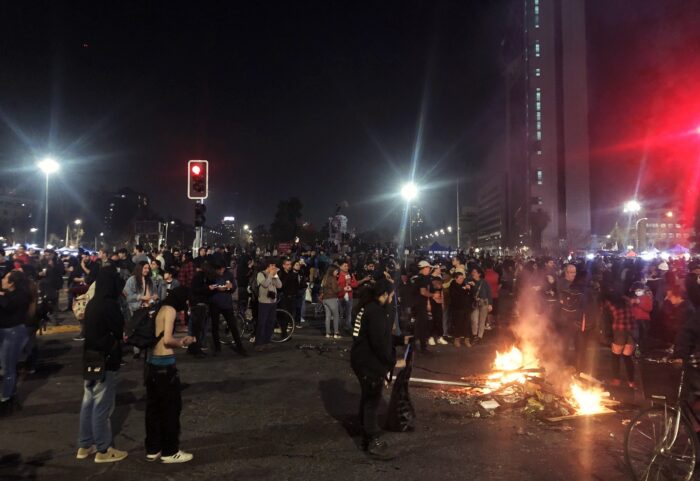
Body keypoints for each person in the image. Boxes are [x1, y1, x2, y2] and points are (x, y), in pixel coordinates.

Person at [76, 268, 128, 463]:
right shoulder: (109, 305)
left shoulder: (92, 304)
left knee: (88, 401)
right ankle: (103, 449)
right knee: (102, 405)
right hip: (106, 359)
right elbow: (118, 328)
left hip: (89, 357)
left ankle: (84, 445)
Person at [350, 278, 405, 460]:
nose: (392, 299)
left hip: (361, 359)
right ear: (384, 295)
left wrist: (399, 340)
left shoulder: (368, 307)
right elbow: (378, 342)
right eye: (391, 295)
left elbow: (379, 336)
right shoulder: (375, 312)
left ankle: (363, 428)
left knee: (368, 397)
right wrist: (392, 361)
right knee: (372, 400)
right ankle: (373, 441)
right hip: (368, 362)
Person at [145, 286, 196, 463]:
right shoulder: (171, 310)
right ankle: (170, 451)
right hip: (165, 365)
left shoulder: (160, 308)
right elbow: (167, 340)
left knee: (153, 408)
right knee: (170, 409)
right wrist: (182, 342)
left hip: (152, 364)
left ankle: (153, 448)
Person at [0, 270, 32, 414]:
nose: (2, 280)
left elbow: (7, 305)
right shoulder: (10, 294)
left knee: (8, 368)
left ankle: (6, 399)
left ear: (12, 283)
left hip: (13, 333)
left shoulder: (19, 296)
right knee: (7, 366)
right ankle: (9, 394)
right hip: (7, 332)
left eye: (6, 278)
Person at [208, 261, 246, 356]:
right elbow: (208, 287)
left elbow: (233, 287)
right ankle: (217, 348)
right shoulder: (211, 275)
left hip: (226, 303)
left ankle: (240, 346)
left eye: (222, 268)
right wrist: (216, 288)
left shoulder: (228, 275)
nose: (221, 270)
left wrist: (231, 287)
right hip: (215, 303)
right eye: (219, 269)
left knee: (233, 325)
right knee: (215, 327)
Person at [604, 288, 636, 388]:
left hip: (619, 331)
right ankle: (631, 382)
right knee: (627, 357)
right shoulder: (628, 302)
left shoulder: (611, 304)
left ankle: (616, 380)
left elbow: (607, 316)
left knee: (616, 356)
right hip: (631, 330)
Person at [255, 259, 282, 351]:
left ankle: (267, 341)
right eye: (272, 265)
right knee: (262, 323)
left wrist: (276, 276)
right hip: (264, 302)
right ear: (268, 266)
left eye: (275, 265)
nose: (274, 267)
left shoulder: (274, 275)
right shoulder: (260, 274)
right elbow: (265, 284)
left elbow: (279, 286)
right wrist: (270, 275)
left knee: (270, 322)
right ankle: (259, 343)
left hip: (273, 302)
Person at [411, 260, 434, 353]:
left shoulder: (414, 277)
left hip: (414, 305)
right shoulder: (423, 278)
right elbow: (423, 292)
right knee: (422, 326)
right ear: (424, 268)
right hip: (421, 305)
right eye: (428, 268)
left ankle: (414, 346)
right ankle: (423, 347)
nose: (429, 270)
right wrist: (433, 295)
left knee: (416, 326)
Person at [467, 266, 492, 345]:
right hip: (475, 303)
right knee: (474, 320)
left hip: (484, 303)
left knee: (482, 321)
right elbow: (471, 293)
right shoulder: (470, 282)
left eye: (474, 272)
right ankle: (474, 335)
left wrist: (490, 304)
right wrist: (472, 286)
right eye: (472, 272)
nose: (473, 273)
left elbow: (489, 293)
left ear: (479, 274)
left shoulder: (484, 282)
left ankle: (479, 337)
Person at [448, 269, 470, 347]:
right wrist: (462, 289)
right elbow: (454, 296)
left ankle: (467, 339)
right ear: (456, 278)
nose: (461, 280)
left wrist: (469, 289)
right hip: (457, 308)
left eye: (462, 278)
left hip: (466, 307)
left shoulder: (464, 284)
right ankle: (457, 339)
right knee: (458, 324)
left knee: (467, 324)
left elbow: (469, 294)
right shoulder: (452, 285)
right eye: (460, 278)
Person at [321, 266, 342, 338]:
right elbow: (335, 290)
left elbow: (322, 289)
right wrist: (342, 287)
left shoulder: (325, 278)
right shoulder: (333, 278)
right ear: (332, 271)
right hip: (332, 299)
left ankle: (328, 333)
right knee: (336, 316)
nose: (337, 272)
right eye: (336, 271)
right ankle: (336, 333)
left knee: (328, 317)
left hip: (325, 299)